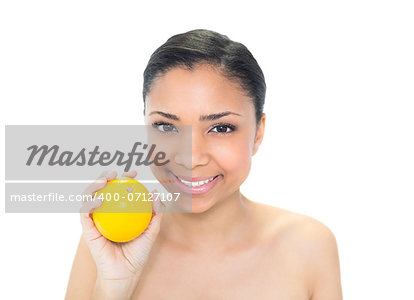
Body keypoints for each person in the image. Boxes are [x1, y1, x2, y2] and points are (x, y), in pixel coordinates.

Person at [65, 29, 343, 300]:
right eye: (165, 126)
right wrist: (114, 287)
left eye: (221, 128)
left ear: (259, 131)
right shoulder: (109, 241)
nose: (190, 156)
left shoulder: (308, 246)